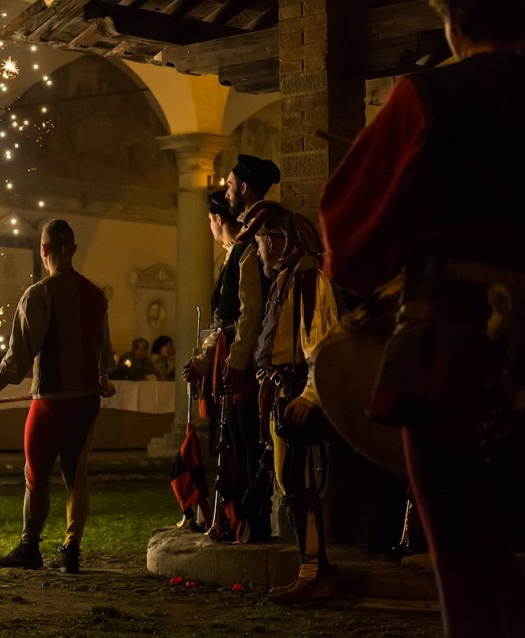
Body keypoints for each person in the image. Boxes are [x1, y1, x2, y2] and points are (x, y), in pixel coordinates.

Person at [319, 1, 525, 633]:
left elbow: (348, 243)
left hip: (455, 358)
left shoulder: (425, 96)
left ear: (453, 25)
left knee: (466, 572)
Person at [0, 219, 116, 574]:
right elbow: (105, 353)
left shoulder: (39, 294)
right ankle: (70, 550)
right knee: (76, 475)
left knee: (36, 474)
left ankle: (29, 548)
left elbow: (19, 358)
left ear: (43, 250)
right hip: (86, 401)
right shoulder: (96, 294)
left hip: (50, 401)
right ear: (74, 249)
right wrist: (102, 378)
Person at [238, 202, 339, 603]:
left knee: (299, 484)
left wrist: (310, 394)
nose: (259, 251)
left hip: (295, 391)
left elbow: (321, 341)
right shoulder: (287, 278)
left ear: (278, 242)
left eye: (262, 242)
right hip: (281, 391)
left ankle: (314, 574)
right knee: (290, 482)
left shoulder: (307, 280)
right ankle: (312, 570)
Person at [182, 189, 271, 542]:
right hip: (224, 358)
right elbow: (222, 322)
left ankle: (253, 520)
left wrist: (234, 361)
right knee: (228, 439)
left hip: (240, 364)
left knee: (244, 439)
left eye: (208, 220)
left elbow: (249, 314)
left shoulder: (245, 254)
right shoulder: (229, 257)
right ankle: (233, 518)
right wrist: (204, 361)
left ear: (218, 220)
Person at [225, 154, 281, 222]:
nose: (226, 195)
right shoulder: (254, 221)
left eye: (229, 186)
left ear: (243, 188)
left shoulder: (259, 226)